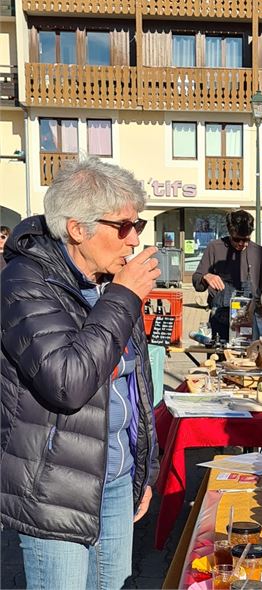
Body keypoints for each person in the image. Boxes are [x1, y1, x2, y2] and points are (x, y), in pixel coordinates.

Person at [1, 157, 160, 590]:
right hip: (56, 487)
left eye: (138, 224)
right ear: (78, 229)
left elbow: (135, 382)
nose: (135, 239)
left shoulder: (106, 283)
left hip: (115, 475)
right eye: (124, 226)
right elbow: (68, 382)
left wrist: (143, 468)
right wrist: (125, 295)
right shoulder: (24, 283)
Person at [192, 210, 262, 341]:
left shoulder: (258, 252)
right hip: (220, 320)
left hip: (249, 319)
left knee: (249, 358)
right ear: (229, 232)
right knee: (218, 360)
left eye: (246, 240)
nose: (241, 244)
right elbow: (197, 280)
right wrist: (206, 276)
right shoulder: (215, 247)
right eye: (237, 239)